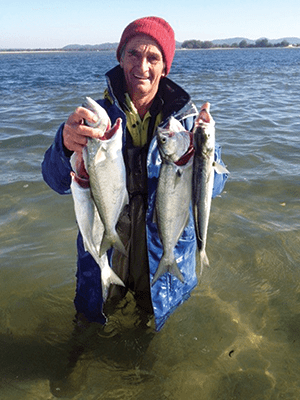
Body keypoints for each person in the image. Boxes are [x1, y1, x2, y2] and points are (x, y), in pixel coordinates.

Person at [42, 16, 228, 333]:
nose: (142, 66)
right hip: (107, 251)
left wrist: (204, 153)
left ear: (165, 67)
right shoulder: (93, 120)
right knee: (86, 331)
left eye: (153, 57)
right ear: (120, 57)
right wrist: (64, 144)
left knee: (151, 339)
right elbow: (55, 179)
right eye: (133, 54)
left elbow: (215, 186)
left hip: (162, 256)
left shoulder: (185, 123)